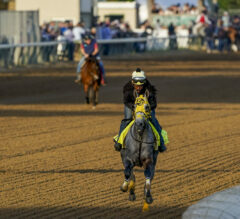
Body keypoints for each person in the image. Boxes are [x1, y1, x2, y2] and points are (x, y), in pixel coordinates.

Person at [114, 68, 167, 153]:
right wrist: (134, 107)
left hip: (146, 108)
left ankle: (161, 142)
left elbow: (154, 103)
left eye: (141, 85)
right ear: (132, 83)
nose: (138, 88)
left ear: (144, 82)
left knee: (153, 119)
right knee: (127, 119)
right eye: (136, 85)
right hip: (131, 106)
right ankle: (119, 141)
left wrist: (147, 108)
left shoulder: (149, 89)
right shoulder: (127, 89)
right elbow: (126, 101)